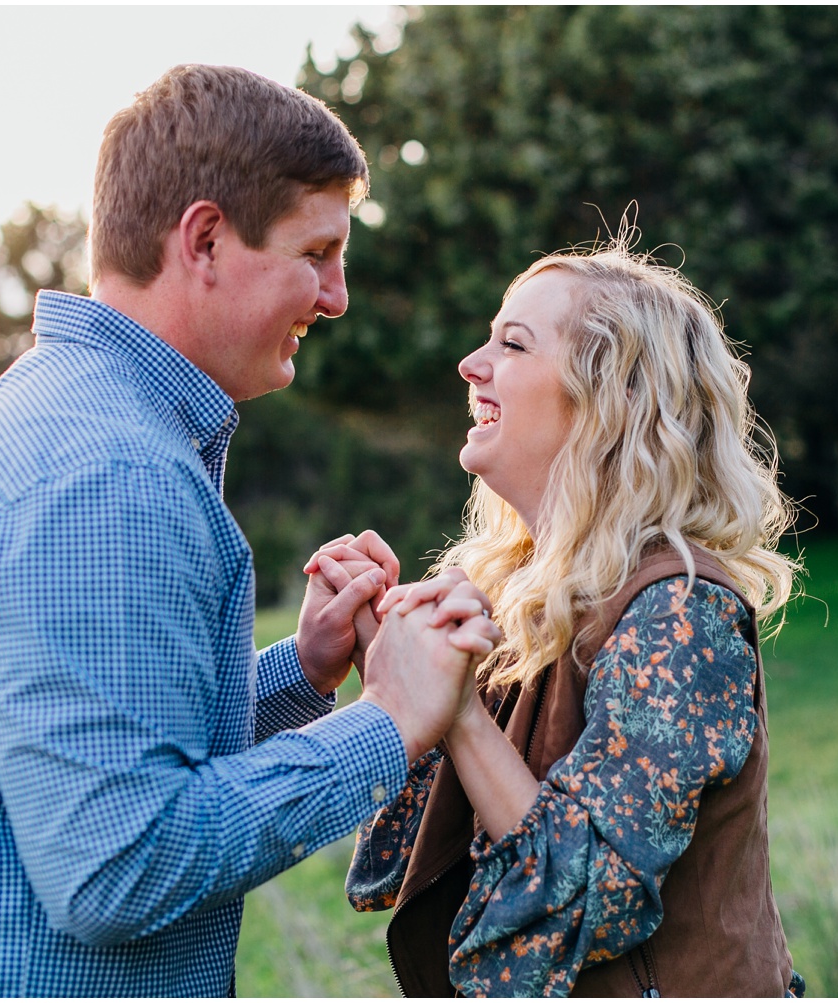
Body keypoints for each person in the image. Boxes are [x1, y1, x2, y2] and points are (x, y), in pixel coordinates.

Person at [0, 65, 499, 997]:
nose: (336, 296)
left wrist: (302, 672)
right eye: (317, 253)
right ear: (207, 240)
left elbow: (98, 742)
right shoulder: (113, 474)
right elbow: (120, 864)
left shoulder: (62, 413)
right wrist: (390, 723)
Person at [333, 237, 807, 996]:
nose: (470, 364)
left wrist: (459, 716)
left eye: (512, 344)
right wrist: (389, 669)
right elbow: (405, 863)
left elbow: (586, 897)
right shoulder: (515, 593)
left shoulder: (681, 611)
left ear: (609, 400)